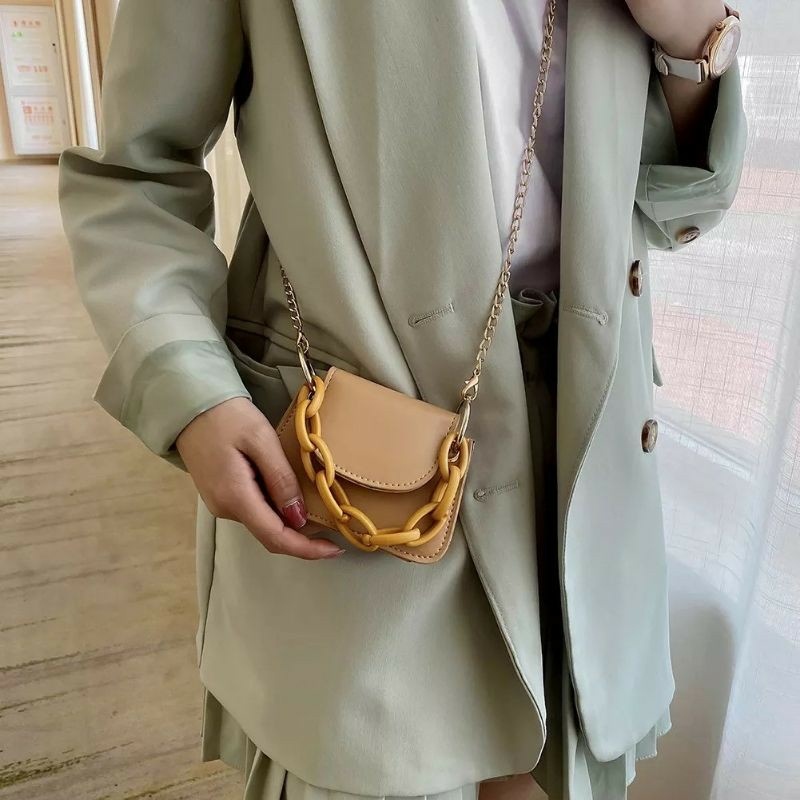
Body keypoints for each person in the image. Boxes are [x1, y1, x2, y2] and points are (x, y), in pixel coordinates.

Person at [57, 1, 746, 798]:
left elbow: (679, 205)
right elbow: (136, 177)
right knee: (376, 759)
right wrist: (191, 390)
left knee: (555, 764)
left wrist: (693, 37)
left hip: (584, 445)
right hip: (368, 455)